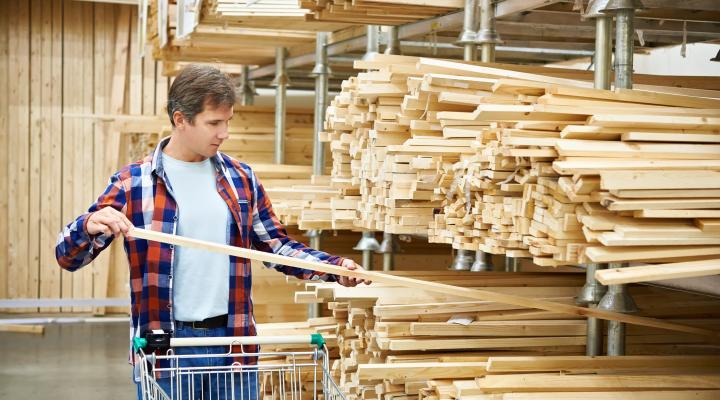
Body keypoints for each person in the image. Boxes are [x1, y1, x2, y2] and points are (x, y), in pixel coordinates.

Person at [55, 64, 369, 400]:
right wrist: (88, 226)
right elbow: (67, 256)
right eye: (214, 123)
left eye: (228, 122)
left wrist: (334, 269)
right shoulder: (134, 183)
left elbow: (276, 247)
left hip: (232, 344)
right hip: (167, 350)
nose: (224, 133)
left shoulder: (240, 179)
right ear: (180, 119)